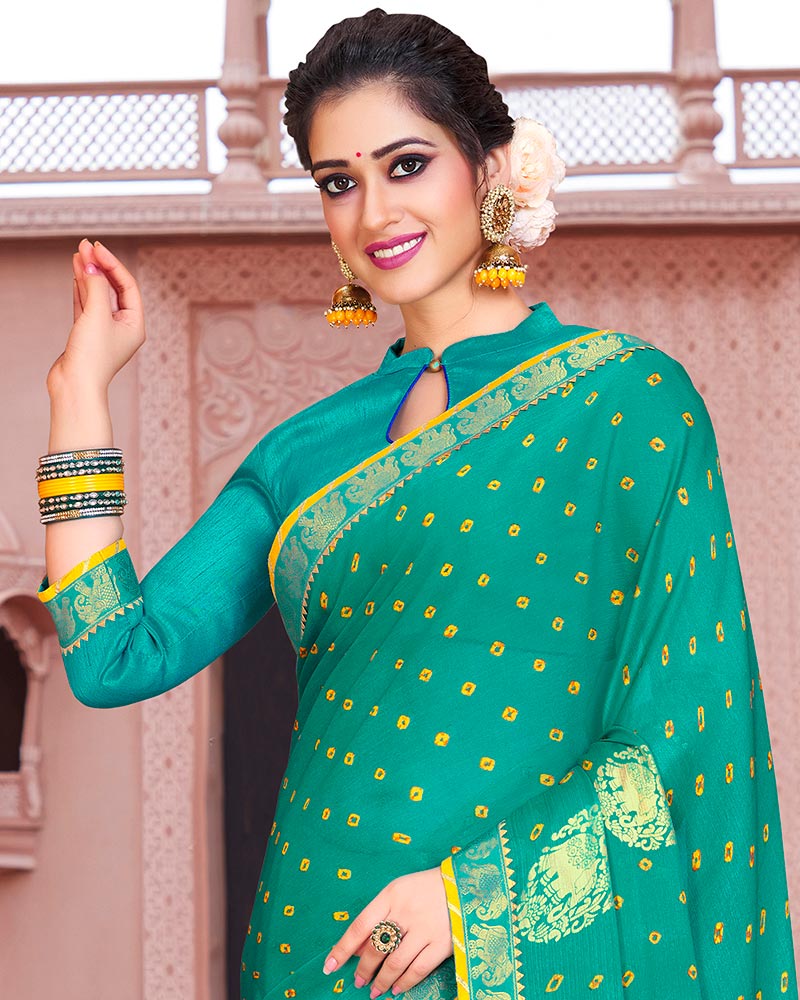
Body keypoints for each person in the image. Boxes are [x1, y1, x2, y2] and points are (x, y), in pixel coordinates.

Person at [37, 9, 796, 1000]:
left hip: (517, 947)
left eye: (406, 165)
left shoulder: (627, 401)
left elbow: (685, 730)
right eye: (338, 183)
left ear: (488, 167)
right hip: (317, 951)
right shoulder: (302, 452)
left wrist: (471, 899)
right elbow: (111, 655)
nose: (372, 213)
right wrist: (79, 392)